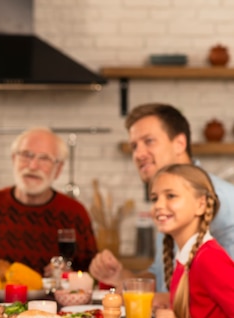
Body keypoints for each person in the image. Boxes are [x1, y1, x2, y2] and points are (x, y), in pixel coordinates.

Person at [89, 103, 234, 307]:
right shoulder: (165, 205)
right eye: (134, 146)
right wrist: (121, 275)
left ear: (179, 143)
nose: (139, 154)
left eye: (149, 141)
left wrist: (160, 300)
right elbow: (162, 277)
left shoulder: (224, 199)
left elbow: (226, 289)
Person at [149, 163, 234, 318]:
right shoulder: (189, 256)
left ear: (200, 204)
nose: (159, 205)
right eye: (154, 197)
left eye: (171, 195)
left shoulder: (209, 259)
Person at [0, 127, 98, 275]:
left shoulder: (75, 213)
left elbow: (92, 276)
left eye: (44, 158)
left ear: (58, 168)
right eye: (26, 155)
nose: (33, 166)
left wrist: (70, 276)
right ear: (13, 159)